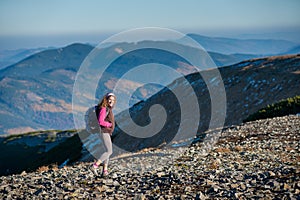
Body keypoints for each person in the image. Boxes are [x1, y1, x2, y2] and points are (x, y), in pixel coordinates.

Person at [89, 92, 116, 177]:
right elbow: (100, 121)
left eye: (113, 100)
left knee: (106, 151)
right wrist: (109, 125)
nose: (111, 102)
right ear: (106, 100)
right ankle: (95, 166)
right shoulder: (104, 108)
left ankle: (105, 171)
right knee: (109, 151)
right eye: (110, 100)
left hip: (105, 132)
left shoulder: (107, 108)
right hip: (104, 131)